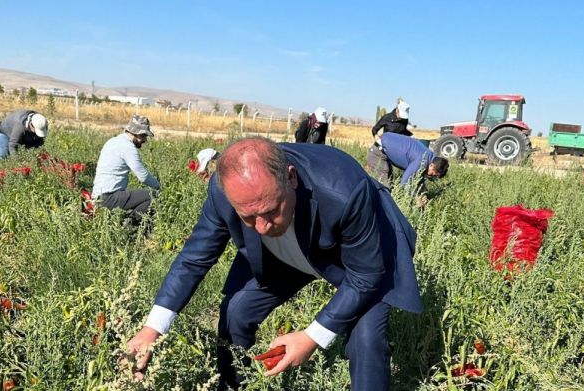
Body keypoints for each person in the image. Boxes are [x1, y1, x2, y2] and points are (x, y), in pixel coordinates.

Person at [125, 137, 422, 390]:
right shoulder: (225, 192)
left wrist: (311, 337)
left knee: (367, 338)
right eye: (248, 218)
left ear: (291, 178)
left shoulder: (343, 190)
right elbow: (193, 259)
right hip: (285, 255)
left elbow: (366, 275)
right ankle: (231, 384)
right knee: (236, 311)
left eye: (270, 210)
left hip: (353, 256)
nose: (262, 227)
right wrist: (152, 329)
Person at [91, 115, 160, 224]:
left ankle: (123, 222)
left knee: (138, 196)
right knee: (152, 196)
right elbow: (143, 177)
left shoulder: (113, 141)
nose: (145, 140)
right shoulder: (128, 147)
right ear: (138, 134)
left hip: (99, 196)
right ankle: (130, 227)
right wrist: (159, 187)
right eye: (144, 136)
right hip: (108, 198)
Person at [378, 133, 449, 201]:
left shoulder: (429, 156)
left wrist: (423, 194)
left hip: (386, 147)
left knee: (389, 184)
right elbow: (404, 183)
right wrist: (417, 197)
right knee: (384, 189)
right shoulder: (422, 161)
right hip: (378, 151)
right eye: (433, 174)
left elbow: (418, 179)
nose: (431, 176)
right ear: (431, 165)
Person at [367, 98, 413, 182]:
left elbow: (403, 131)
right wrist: (377, 137)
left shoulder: (404, 120)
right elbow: (374, 129)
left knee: (390, 175)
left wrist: (411, 136)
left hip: (394, 149)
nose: (402, 118)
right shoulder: (387, 118)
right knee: (384, 171)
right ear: (397, 110)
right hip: (384, 147)